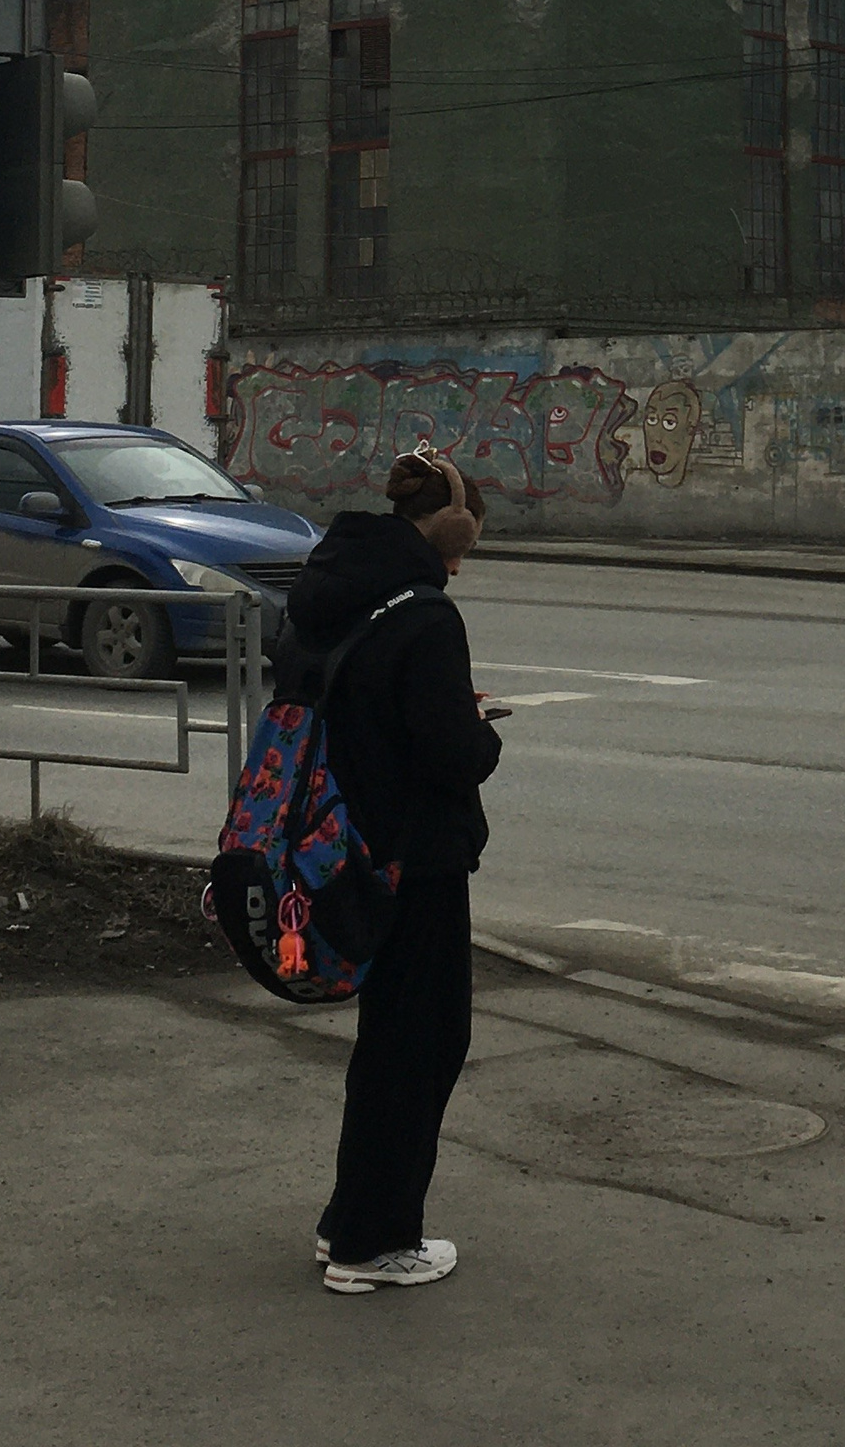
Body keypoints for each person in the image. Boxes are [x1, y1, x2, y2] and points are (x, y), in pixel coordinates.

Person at [276, 447, 502, 1294]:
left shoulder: (323, 597)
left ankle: (349, 1224)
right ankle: (377, 1243)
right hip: (418, 858)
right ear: (450, 531)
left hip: (339, 851)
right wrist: (483, 732)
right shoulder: (426, 617)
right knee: (423, 1043)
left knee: (386, 1043)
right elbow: (452, 755)